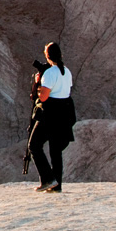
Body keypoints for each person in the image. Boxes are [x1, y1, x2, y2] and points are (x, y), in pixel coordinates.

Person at [29, 42, 75, 193]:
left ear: (47, 56)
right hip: (64, 114)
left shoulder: (50, 73)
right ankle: (57, 185)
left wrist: (38, 84)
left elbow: (43, 97)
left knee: (34, 145)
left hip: (50, 113)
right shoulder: (67, 72)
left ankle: (48, 179)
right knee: (56, 151)